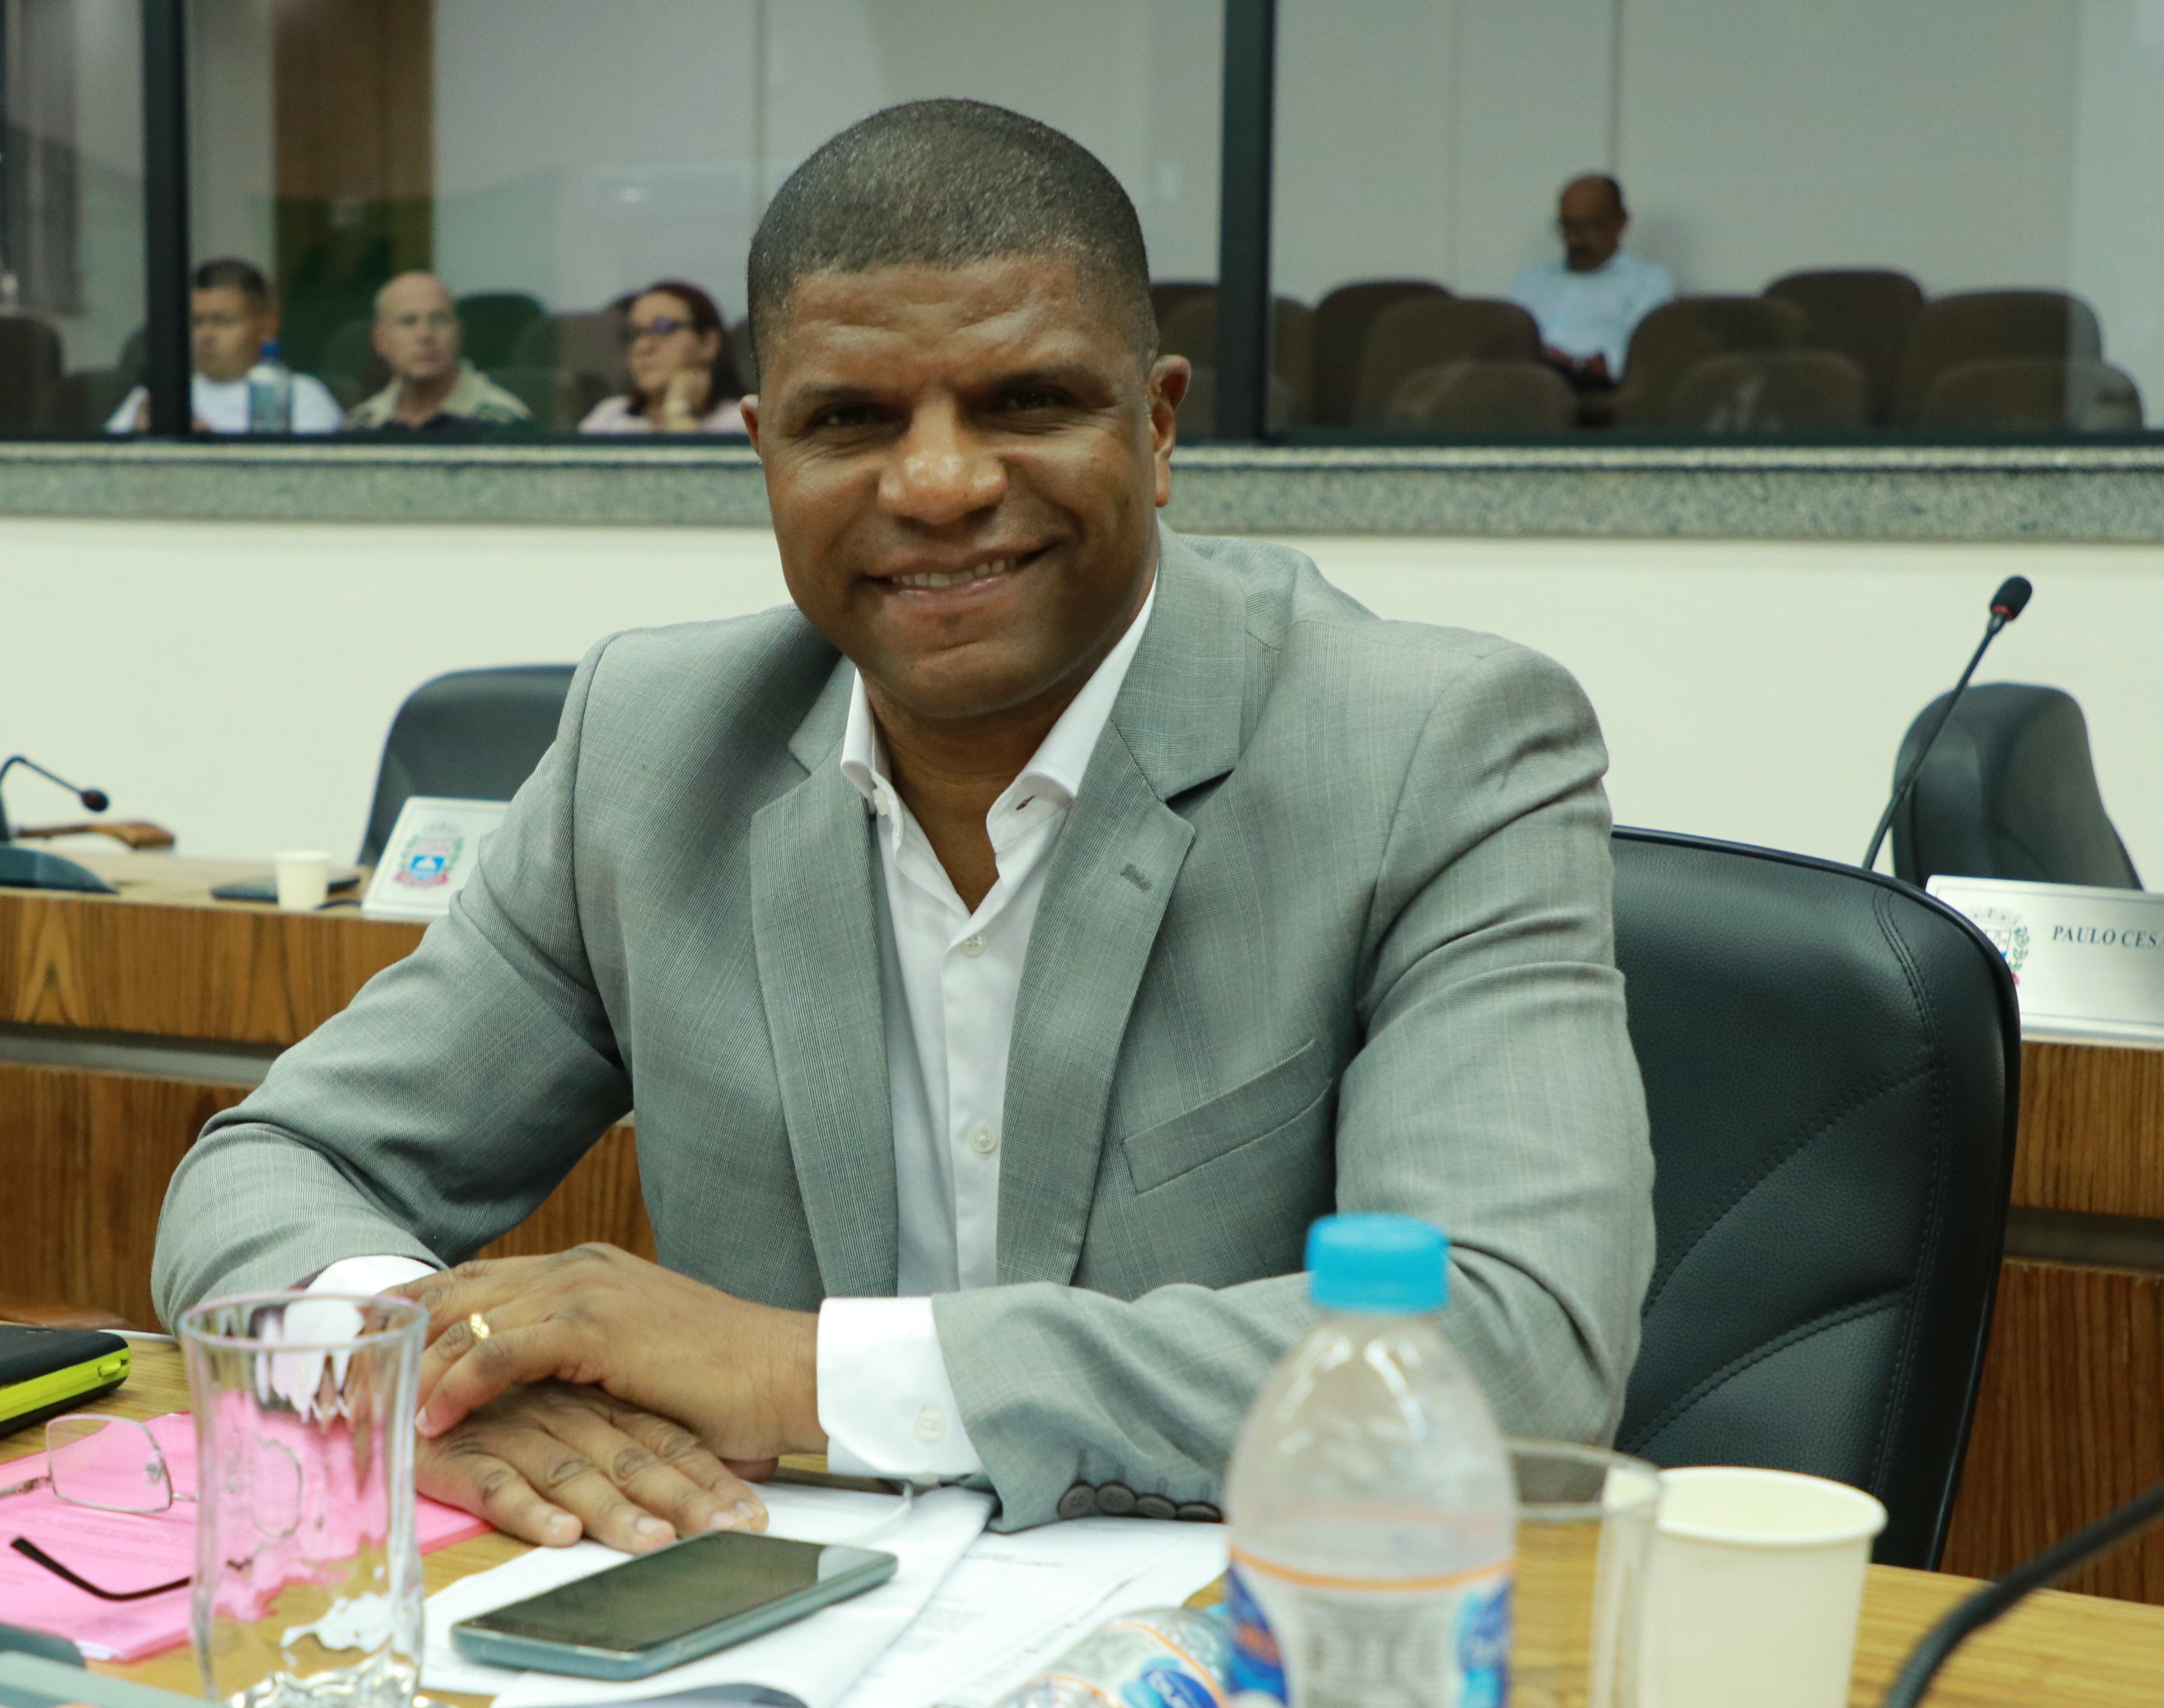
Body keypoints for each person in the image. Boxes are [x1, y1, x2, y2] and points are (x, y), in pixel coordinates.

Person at [154, 100, 1653, 1552]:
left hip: (1254, 1647)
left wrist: (801, 1374)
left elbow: (1515, 1348)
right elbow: (273, 1168)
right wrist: (421, 1375)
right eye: (851, 420)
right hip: (757, 1635)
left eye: (1027, 402)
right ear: (766, 452)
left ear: (1157, 424)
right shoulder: (651, 750)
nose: (939, 485)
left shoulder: (1431, 746)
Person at [105, 258, 342, 435]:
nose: (205, 335)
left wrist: (205, 447)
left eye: (223, 321)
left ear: (267, 327)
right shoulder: (159, 398)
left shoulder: (302, 397)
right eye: (196, 322)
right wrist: (137, 441)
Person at [1507, 174, 1674, 386]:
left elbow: (1643, 357)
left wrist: (1575, 363)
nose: (1575, 240)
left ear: (1621, 221)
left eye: (1588, 227)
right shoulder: (1532, 279)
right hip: (1522, 385)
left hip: (1596, 391)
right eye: (1568, 227)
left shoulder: (1646, 280)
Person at [344, 272, 533, 431]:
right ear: (381, 340)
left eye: (439, 319)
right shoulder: (363, 426)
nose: (425, 335)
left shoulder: (505, 424)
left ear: (458, 334)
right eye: (409, 321)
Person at [579, 280, 749, 433]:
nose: (643, 346)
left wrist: (677, 410)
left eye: (664, 328)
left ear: (708, 343)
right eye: (634, 334)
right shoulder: (610, 417)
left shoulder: (741, 422)